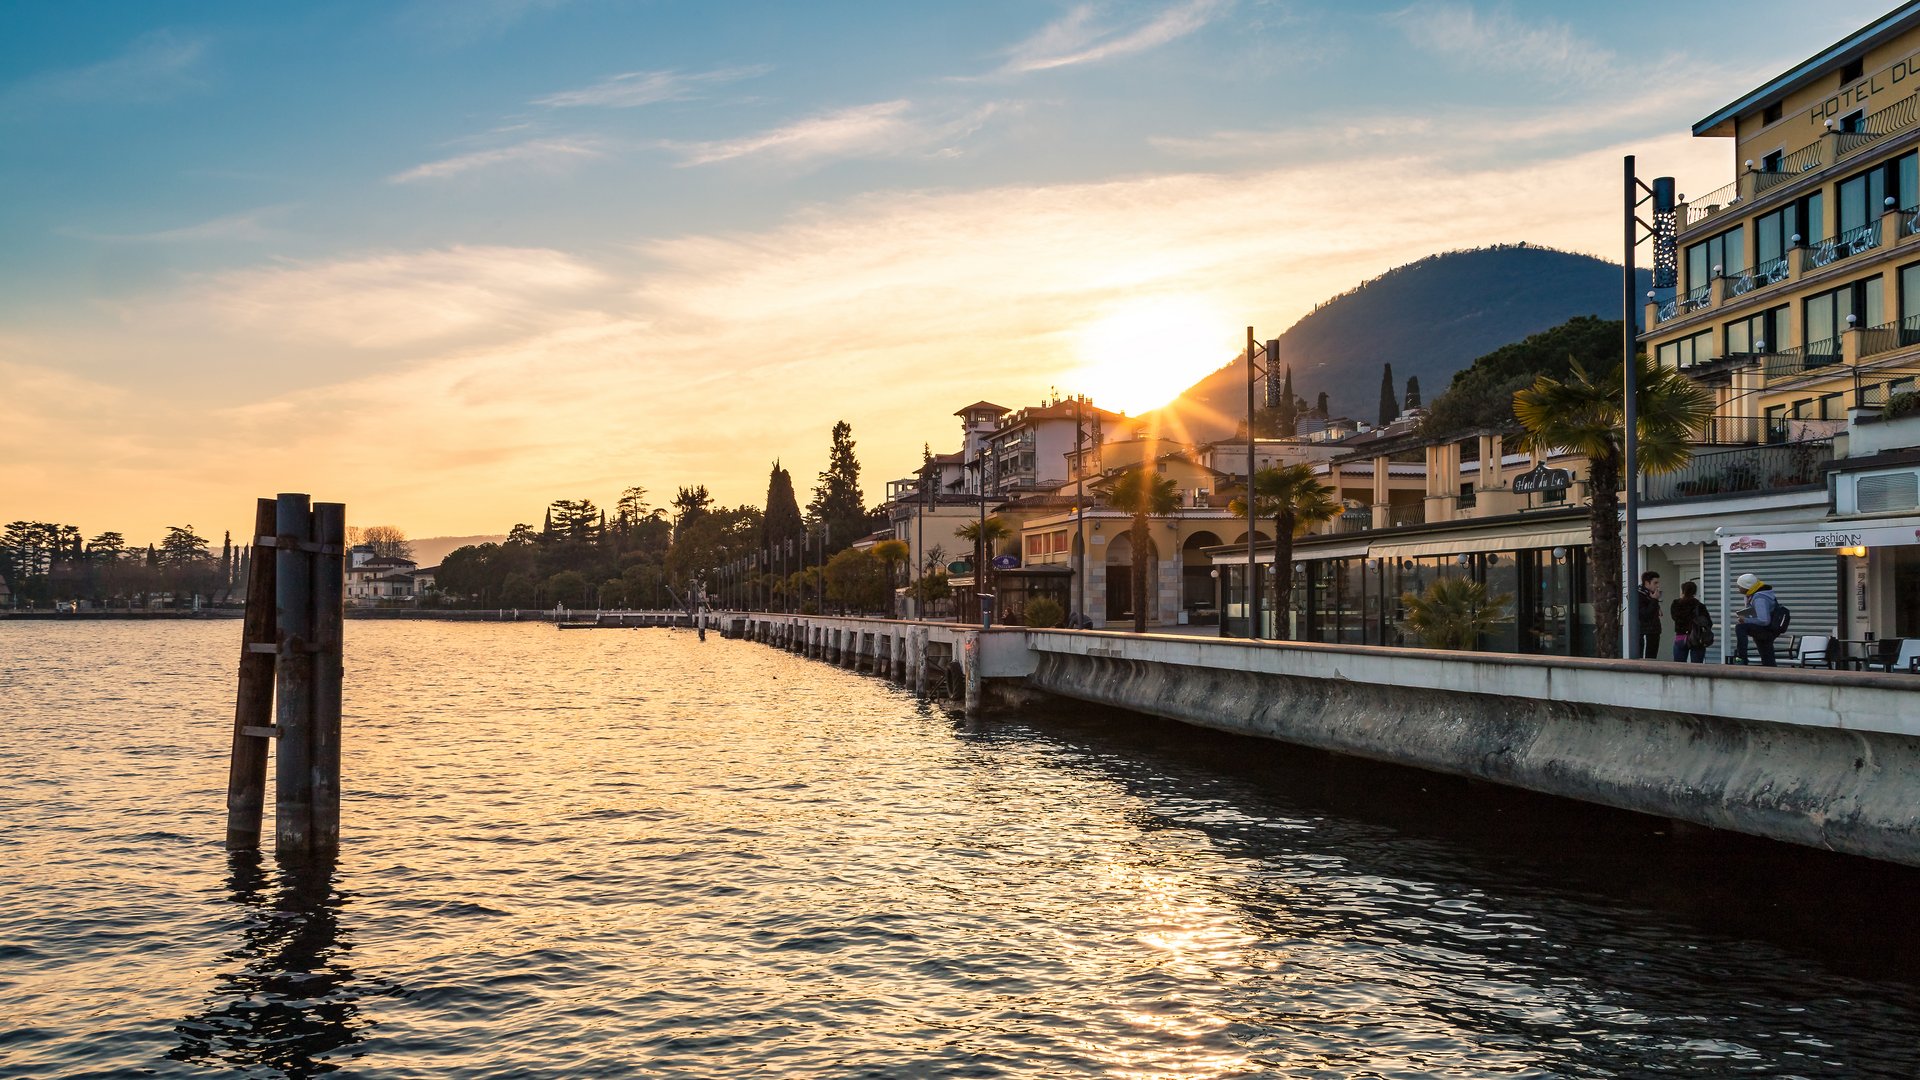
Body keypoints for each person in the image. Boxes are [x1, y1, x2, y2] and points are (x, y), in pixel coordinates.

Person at [1733, 572, 1780, 666]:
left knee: (1740, 627)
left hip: (1767, 630)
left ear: (1747, 587)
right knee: (1767, 658)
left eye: (1740, 586)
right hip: (1767, 630)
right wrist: (1746, 614)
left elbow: (1764, 620)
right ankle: (1771, 671)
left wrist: (1745, 620)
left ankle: (1741, 658)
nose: (1738, 588)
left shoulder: (1759, 598)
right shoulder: (1754, 595)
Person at [1669, 580, 1710, 663]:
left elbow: (1674, 617)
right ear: (1695, 592)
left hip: (1681, 637)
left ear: (1683, 591)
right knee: (1696, 666)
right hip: (1696, 637)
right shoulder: (1699, 606)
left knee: (1678, 666)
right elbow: (1708, 622)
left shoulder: (1676, 604)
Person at [1637, 571, 1662, 659]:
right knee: (1646, 659)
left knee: (1652, 658)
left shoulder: (1650, 595)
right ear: (1647, 583)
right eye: (1655, 583)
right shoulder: (1639, 595)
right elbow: (1645, 614)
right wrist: (1654, 600)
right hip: (1645, 632)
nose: (1657, 586)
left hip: (1653, 632)